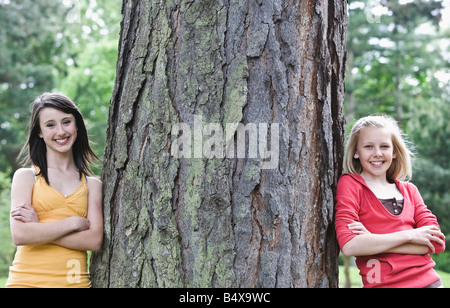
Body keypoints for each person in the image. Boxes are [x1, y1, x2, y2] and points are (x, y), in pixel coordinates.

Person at [335, 115, 446, 288]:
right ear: (356, 152)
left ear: (394, 151)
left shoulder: (410, 191)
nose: (377, 153)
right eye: (368, 146)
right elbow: (350, 246)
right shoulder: (351, 184)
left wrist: (372, 240)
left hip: (429, 283)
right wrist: (411, 235)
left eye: (384, 146)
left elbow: (436, 243)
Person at [6, 92, 103, 288]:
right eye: (50, 125)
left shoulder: (93, 185)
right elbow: (21, 235)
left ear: (77, 125)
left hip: (75, 284)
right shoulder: (26, 177)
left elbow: (93, 241)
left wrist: (39, 227)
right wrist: (73, 222)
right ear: (40, 132)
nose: (60, 131)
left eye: (66, 122)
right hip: (25, 282)